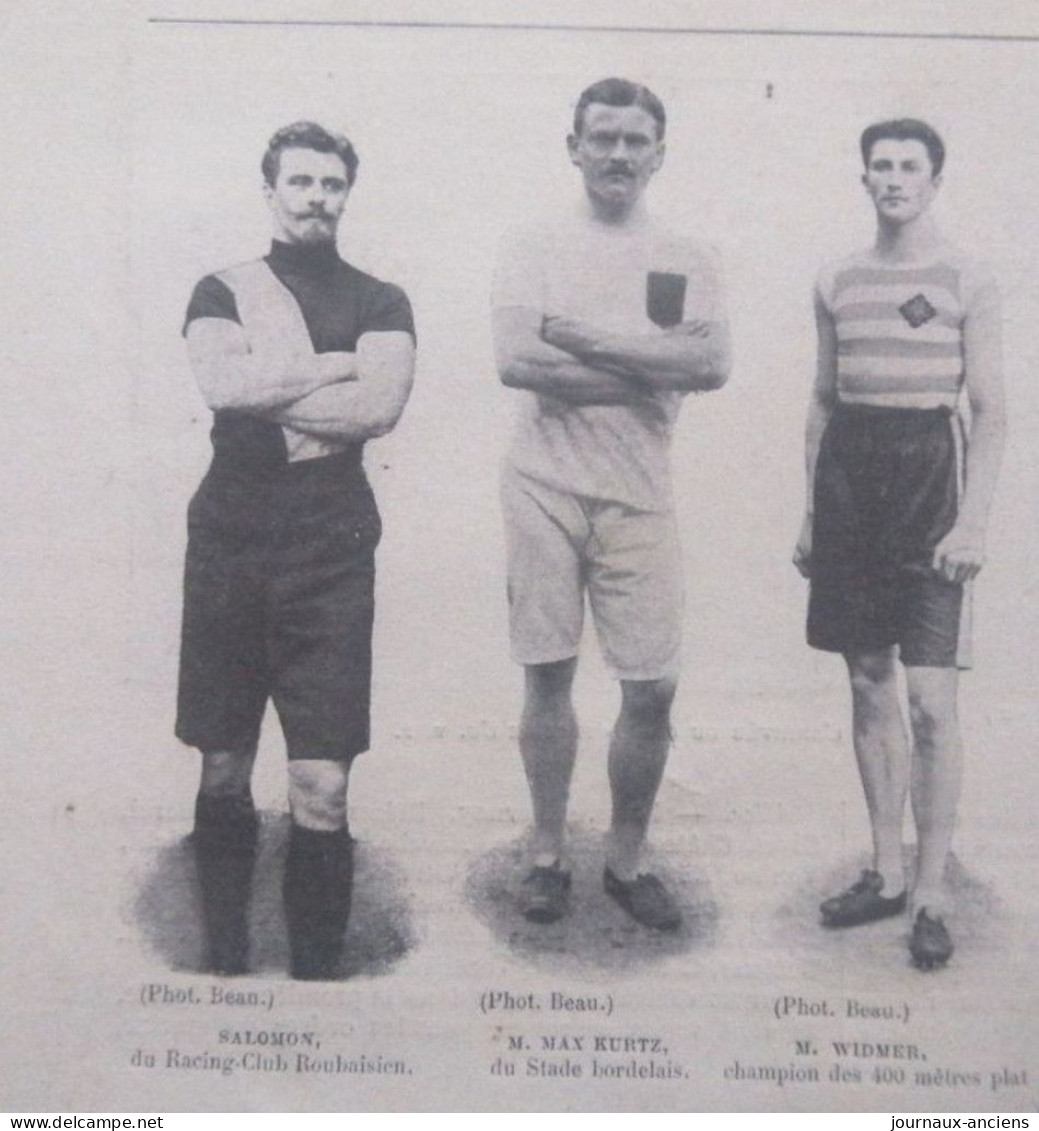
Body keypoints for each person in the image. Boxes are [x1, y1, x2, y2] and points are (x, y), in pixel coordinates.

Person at [177, 121, 416, 979]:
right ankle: (225, 964)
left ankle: (317, 981)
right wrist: (329, 369)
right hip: (230, 542)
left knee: (322, 783)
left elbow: (378, 410)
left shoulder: (380, 299)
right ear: (269, 189)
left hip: (331, 545)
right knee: (223, 763)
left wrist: (272, 385)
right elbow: (220, 385)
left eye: (331, 184)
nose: (317, 196)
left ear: (348, 193)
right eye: (301, 181)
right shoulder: (220, 288)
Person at [492, 78, 731, 930]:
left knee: (651, 687)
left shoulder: (687, 255)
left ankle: (627, 859)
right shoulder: (534, 246)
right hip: (543, 487)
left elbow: (710, 367)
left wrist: (584, 339)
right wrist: (646, 364)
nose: (618, 154)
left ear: (658, 153)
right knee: (548, 672)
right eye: (603, 137)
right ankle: (548, 852)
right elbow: (516, 360)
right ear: (574, 146)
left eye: (636, 140)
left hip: (639, 496)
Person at [794, 119, 1004, 969]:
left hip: (927, 485)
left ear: (933, 177)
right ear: (863, 178)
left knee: (930, 700)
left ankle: (930, 886)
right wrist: (809, 511)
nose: (891, 179)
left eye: (907, 166)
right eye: (878, 166)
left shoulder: (965, 275)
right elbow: (818, 399)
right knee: (866, 678)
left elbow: (989, 408)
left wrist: (973, 520)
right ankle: (884, 869)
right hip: (849, 481)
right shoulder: (836, 277)